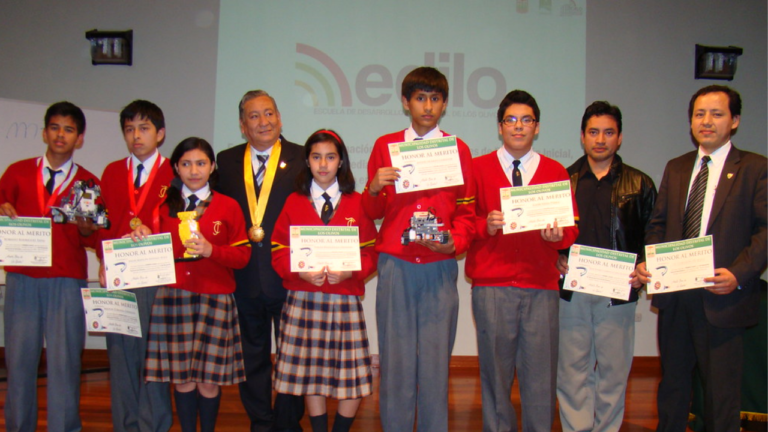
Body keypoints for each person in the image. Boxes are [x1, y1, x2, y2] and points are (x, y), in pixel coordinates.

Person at [641, 85, 766, 432]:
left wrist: (738, 274)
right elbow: (657, 225)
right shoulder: (677, 167)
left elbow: (765, 231)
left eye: (716, 114)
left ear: (735, 120)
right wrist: (651, 260)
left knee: (721, 394)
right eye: (699, 114)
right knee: (673, 388)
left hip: (723, 297)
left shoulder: (755, 168)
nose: (706, 121)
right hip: (676, 297)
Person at [362, 66, 475, 432]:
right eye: (420, 98)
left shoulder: (458, 149)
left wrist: (455, 241)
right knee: (395, 360)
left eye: (435, 98)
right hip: (396, 264)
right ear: (406, 102)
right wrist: (373, 188)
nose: (428, 106)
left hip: (438, 266)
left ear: (444, 104)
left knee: (435, 363)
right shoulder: (386, 146)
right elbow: (371, 213)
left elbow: (467, 212)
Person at [466, 89, 579, 432]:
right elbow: (462, 223)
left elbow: (571, 229)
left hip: (540, 286)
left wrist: (557, 237)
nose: (518, 126)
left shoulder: (555, 170)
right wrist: (484, 226)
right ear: (500, 127)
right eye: (511, 120)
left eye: (526, 120)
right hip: (492, 286)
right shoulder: (477, 168)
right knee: (495, 377)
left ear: (537, 127)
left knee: (541, 378)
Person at [130, 137, 250, 432]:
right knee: (182, 380)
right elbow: (148, 245)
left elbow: (242, 257)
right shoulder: (162, 207)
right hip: (174, 297)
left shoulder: (229, 206)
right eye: (186, 164)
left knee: (208, 381)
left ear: (212, 167)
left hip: (215, 299)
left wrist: (212, 250)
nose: (194, 171)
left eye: (200, 163)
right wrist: (142, 233)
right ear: (176, 168)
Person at [555, 101, 657, 432]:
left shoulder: (640, 184)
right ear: (582, 136)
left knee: (614, 372)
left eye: (609, 133)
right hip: (571, 291)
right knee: (572, 371)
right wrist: (554, 256)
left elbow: (653, 234)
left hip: (618, 292)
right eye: (594, 132)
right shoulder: (563, 180)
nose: (601, 140)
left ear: (620, 137)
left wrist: (644, 266)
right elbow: (546, 232)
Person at [0, 101, 100, 431]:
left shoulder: (88, 182)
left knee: (64, 363)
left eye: (69, 129)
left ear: (79, 138)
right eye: (55, 127)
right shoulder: (16, 172)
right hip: (22, 278)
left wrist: (85, 227)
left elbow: (92, 236)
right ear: (45, 132)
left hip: (66, 281)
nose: (61, 135)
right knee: (19, 361)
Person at [271, 129, 378, 432]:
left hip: (344, 299)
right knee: (311, 374)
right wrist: (299, 272)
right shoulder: (294, 202)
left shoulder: (357, 202)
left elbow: (372, 251)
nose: (323, 164)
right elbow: (278, 251)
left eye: (330, 157)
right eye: (316, 157)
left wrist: (351, 271)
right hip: (303, 298)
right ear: (307, 161)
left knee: (351, 377)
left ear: (340, 161)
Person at [215, 90, 306, 432]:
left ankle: (288, 422)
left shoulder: (303, 157)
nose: (263, 122)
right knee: (251, 357)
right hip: (244, 276)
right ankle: (261, 422)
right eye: (254, 116)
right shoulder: (225, 161)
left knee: (292, 356)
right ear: (242, 125)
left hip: (289, 274)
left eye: (269, 113)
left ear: (279, 118)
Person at [97, 99, 174, 432]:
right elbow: (104, 223)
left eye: (144, 128)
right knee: (120, 355)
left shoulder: (175, 171)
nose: (136, 136)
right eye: (129, 129)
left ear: (160, 133)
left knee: (154, 357)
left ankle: (154, 425)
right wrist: (102, 261)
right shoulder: (112, 172)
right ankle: (126, 424)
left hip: (157, 276)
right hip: (119, 275)